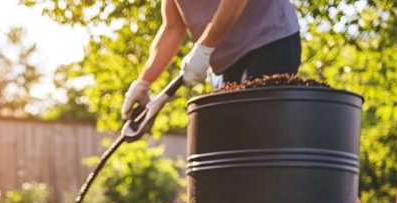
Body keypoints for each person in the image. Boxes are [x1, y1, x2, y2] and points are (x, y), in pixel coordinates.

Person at [122, 0, 301, 119]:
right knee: (229, 133)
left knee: (259, 127)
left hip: (271, 38)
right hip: (226, 59)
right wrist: (143, 82)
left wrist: (206, 46)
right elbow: (173, 27)